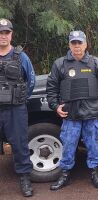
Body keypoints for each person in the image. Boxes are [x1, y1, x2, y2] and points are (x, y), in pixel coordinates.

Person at [46, 30, 98, 190]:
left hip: (91, 114)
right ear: (69, 45)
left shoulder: (96, 63)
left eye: (79, 43)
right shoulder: (60, 64)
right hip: (71, 115)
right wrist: (55, 106)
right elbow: (52, 87)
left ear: (85, 44)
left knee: (92, 145)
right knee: (68, 145)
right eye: (73, 43)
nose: (77, 46)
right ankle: (65, 174)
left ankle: (95, 173)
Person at [0, 18, 35, 197]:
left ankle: (24, 178)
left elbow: (31, 80)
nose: (3, 36)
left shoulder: (20, 56)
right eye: (0, 32)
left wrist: (20, 98)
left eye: (6, 32)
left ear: (11, 34)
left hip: (15, 109)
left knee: (20, 144)